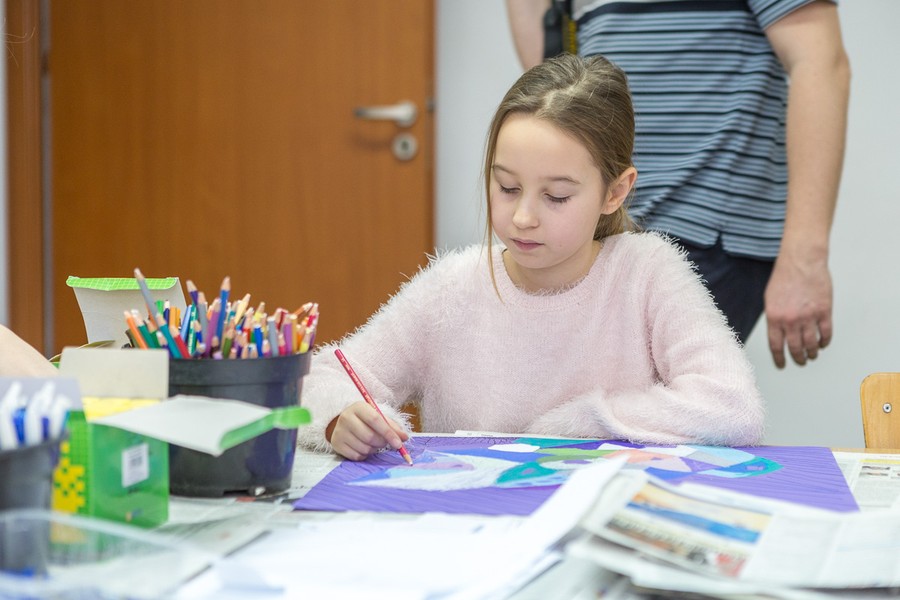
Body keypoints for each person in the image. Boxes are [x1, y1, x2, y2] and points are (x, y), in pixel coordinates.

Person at [297, 53, 764, 461]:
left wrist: (580, 423)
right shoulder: (453, 285)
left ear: (615, 192)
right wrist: (340, 416)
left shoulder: (647, 272)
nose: (522, 217)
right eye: (507, 187)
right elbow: (322, 377)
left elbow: (731, 406)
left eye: (556, 196)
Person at [505, 0, 850, 369]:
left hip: (705, 222)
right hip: (606, 220)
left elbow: (819, 60)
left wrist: (804, 258)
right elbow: (557, 86)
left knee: (624, 392)